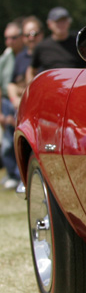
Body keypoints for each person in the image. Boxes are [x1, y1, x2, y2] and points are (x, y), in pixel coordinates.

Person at [26, 6, 86, 82]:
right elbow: (31, 71)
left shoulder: (80, 42)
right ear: (49, 24)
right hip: (52, 89)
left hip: (77, 86)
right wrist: (32, 88)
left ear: (69, 22)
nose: (61, 24)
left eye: (64, 21)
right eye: (57, 21)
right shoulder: (42, 47)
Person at [0, 19, 23, 189]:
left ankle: (20, 176)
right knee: (8, 143)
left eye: (13, 37)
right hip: (7, 102)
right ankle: (12, 175)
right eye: (7, 38)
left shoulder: (28, 55)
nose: (10, 42)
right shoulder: (5, 58)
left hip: (21, 101)